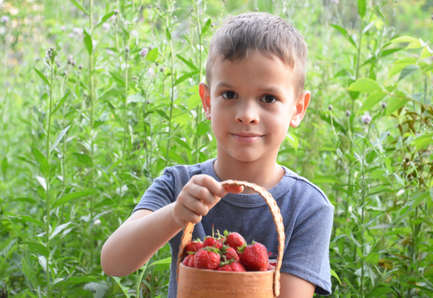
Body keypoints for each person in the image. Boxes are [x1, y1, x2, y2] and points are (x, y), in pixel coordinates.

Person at [101, 11, 334, 297]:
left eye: (268, 98)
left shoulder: (308, 207)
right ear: (207, 101)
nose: (247, 115)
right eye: (230, 95)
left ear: (298, 108)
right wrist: (175, 214)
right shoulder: (179, 184)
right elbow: (114, 262)